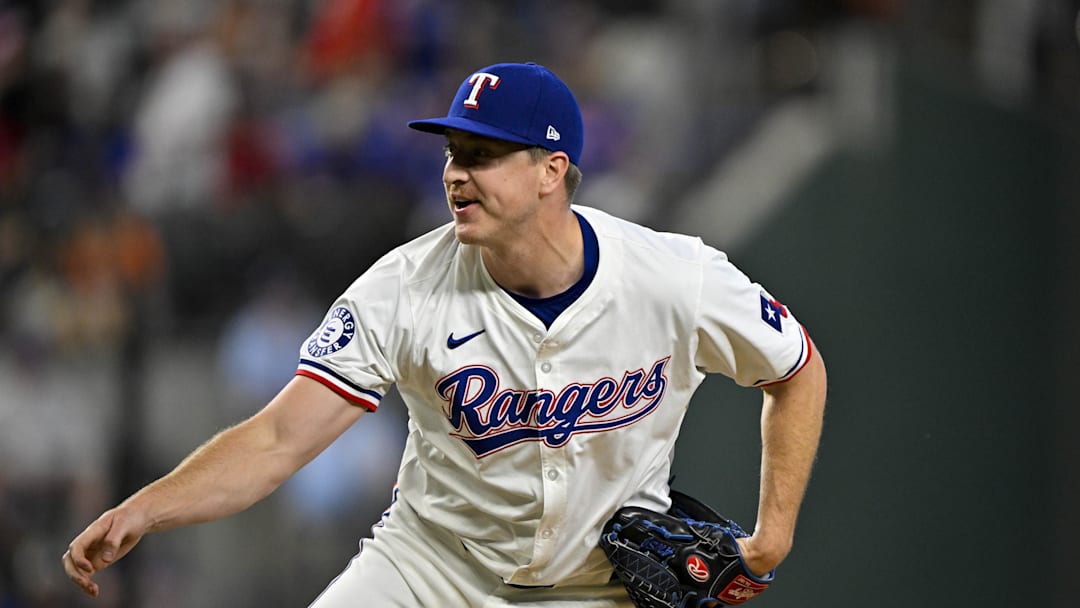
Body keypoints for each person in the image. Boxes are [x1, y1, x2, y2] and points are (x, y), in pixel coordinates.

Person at [63, 62, 827, 607]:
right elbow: (277, 440)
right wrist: (147, 508)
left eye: (485, 156)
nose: (458, 174)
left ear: (551, 170)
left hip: (594, 588)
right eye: (454, 153)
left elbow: (796, 369)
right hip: (428, 569)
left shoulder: (673, 277)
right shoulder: (404, 286)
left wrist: (772, 540)